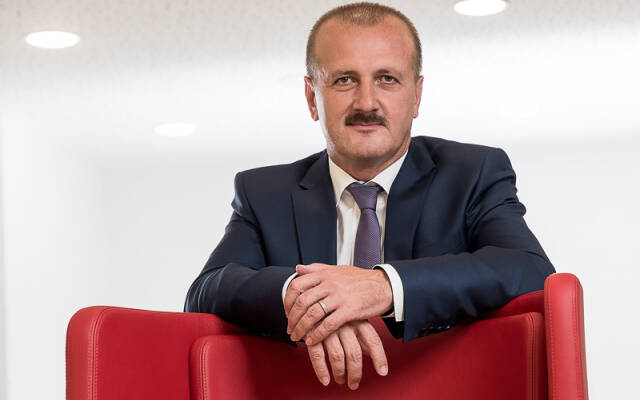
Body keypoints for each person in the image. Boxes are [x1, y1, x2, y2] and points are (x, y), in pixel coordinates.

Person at [184, 2, 554, 391]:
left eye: (387, 79)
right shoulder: (264, 193)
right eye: (344, 80)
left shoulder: (472, 174)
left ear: (416, 96)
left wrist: (383, 287)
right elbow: (206, 291)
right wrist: (306, 297)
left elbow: (530, 270)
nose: (366, 103)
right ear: (311, 97)